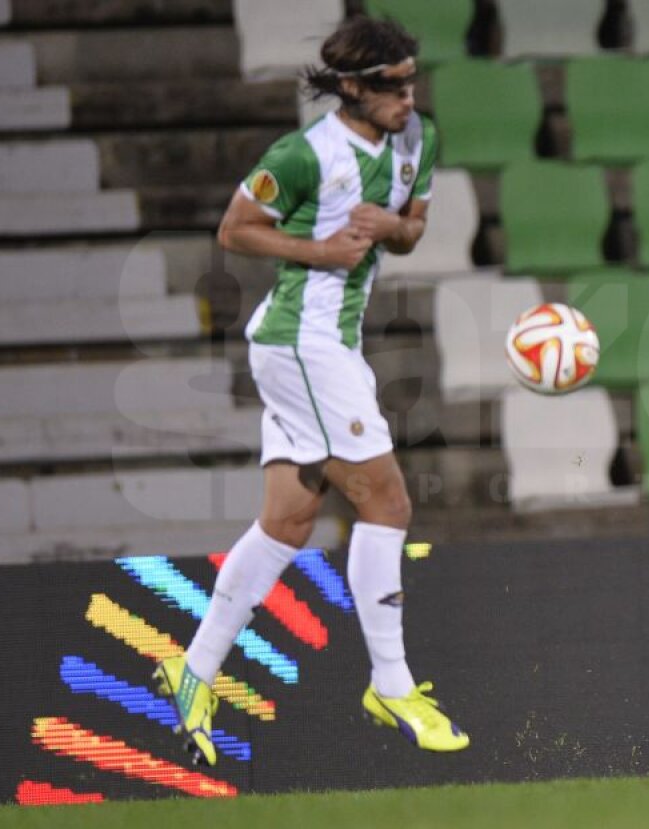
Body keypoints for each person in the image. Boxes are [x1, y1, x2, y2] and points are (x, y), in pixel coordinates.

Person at [153, 16, 469, 766]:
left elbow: (414, 229)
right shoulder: (302, 155)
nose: (408, 95)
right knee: (387, 500)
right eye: (393, 85)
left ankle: (191, 669)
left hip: (331, 343)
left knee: (288, 521)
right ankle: (391, 682)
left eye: (412, 79)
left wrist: (389, 223)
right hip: (302, 340)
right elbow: (235, 229)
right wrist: (319, 249)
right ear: (354, 87)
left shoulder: (418, 137)